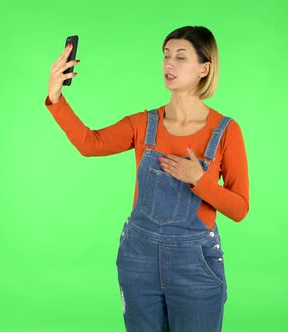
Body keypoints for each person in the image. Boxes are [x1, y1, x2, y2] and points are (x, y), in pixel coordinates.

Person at [45, 26, 249, 332]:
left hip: (195, 263)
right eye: (166, 55)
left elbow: (239, 208)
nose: (169, 63)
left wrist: (200, 180)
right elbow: (90, 143)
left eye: (181, 57)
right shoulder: (143, 124)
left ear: (204, 69)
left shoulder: (225, 132)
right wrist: (55, 96)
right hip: (138, 258)